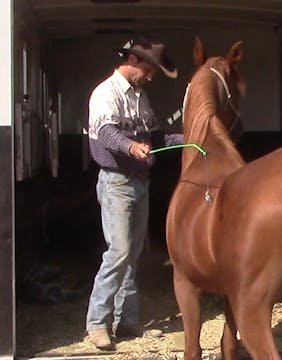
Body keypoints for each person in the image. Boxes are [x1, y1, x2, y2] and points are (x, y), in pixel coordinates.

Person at [86, 36, 181, 350]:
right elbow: (107, 132)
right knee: (119, 251)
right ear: (135, 61)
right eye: (150, 69)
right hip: (117, 182)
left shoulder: (140, 97)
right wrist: (131, 146)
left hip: (140, 182)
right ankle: (97, 323)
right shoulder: (105, 93)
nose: (152, 76)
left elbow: (156, 135)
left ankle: (127, 322)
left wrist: (193, 134)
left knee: (132, 254)